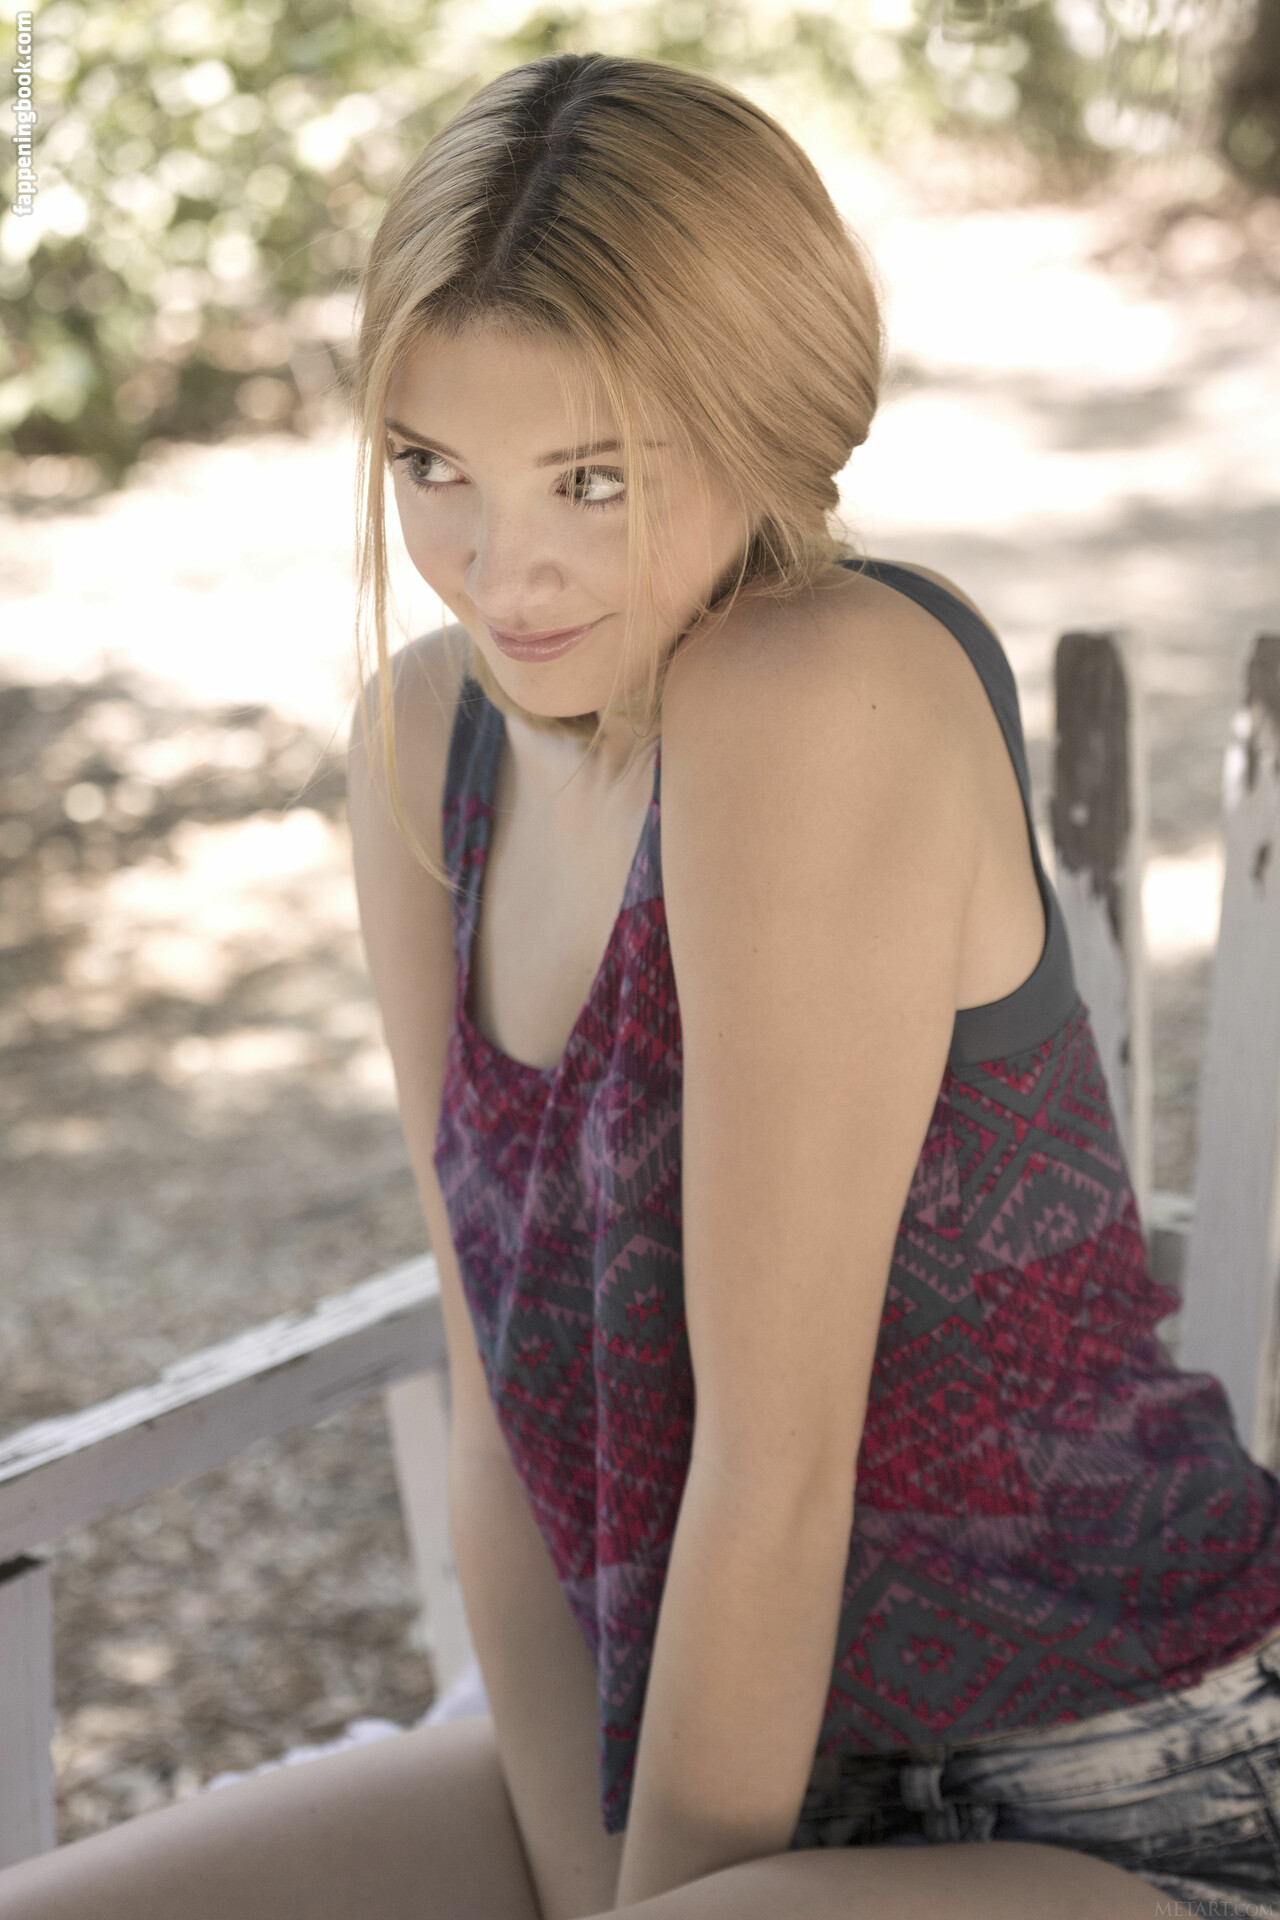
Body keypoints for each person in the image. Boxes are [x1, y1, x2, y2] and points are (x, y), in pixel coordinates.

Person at [5, 49, 1280, 1920]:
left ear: (766, 426)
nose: (498, 569)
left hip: (1128, 1780)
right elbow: (503, 1426)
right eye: (431, 467)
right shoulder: (425, 751)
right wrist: (584, 1878)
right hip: (667, 1755)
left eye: (592, 479)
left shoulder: (819, 685)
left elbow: (776, 1473)